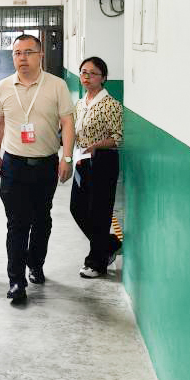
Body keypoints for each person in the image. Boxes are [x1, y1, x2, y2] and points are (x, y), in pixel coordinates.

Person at [0, 34, 75, 306]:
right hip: (14, 164)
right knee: (17, 223)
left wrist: (67, 157)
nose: (22, 58)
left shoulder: (57, 85)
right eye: (17, 53)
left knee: (41, 220)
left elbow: (68, 122)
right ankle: (16, 281)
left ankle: (35, 264)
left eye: (28, 52)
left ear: (40, 55)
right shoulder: (4, 86)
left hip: (46, 164)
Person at [68, 56, 124, 279]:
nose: (86, 77)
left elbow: (118, 137)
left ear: (103, 78)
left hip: (103, 161)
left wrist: (97, 146)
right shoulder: (81, 103)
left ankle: (96, 263)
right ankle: (109, 244)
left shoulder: (111, 105)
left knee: (99, 212)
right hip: (83, 160)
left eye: (92, 73)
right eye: (83, 72)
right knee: (77, 208)